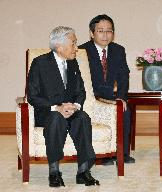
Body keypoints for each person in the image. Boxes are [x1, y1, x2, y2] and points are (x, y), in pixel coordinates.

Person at [27, 26, 100, 187]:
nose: (77, 48)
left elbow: (81, 91)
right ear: (59, 47)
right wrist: (56, 108)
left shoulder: (73, 63)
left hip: (71, 111)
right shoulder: (39, 63)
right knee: (55, 119)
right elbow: (32, 96)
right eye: (73, 43)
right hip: (49, 113)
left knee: (83, 118)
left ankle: (83, 171)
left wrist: (75, 105)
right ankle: (54, 172)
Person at [79, 14, 135, 165]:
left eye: (109, 31)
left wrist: (122, 97)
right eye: (100, 30)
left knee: (124, 109)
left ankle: (122, 153)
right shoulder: (81, 51)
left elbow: (124, 75)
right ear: (92, 33)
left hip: (110, 95)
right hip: (89, 96)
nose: (105, 35)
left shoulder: (118, 50)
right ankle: (102, 154)